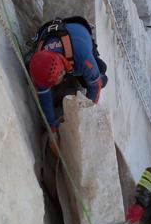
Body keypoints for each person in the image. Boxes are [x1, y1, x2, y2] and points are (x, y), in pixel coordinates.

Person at [27, 17, 108, 154]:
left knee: (101, 76)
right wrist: (52, 131)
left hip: (78, 31)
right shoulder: (40, 67)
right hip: (50, 32)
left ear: (61, 72)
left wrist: (86, 116)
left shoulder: (82, 57)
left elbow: (96, 86)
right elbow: (44, 97)